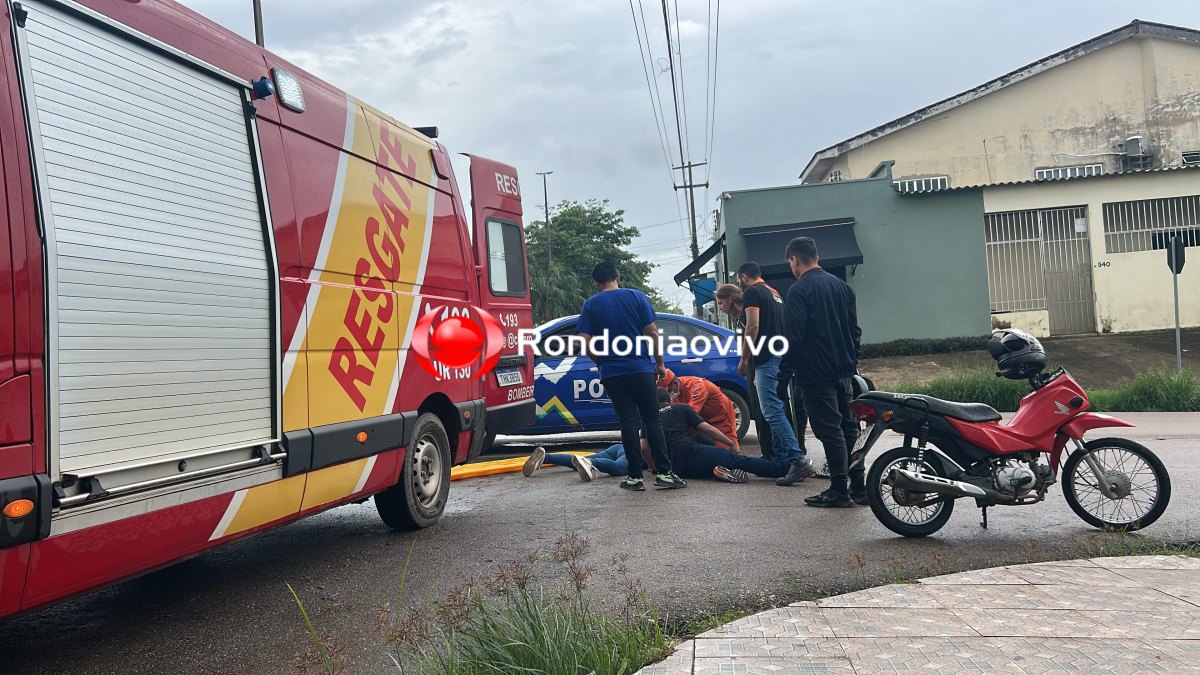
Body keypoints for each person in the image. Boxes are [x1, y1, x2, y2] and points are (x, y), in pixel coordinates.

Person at [578, 262, 685, 491]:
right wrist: (660, 363)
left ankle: (635, 477)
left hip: (612, 373)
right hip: (640, 368)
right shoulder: (637, 297)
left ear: (596, 283)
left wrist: (601, 361)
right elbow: (653, 333)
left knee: (627, 422)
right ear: (618, 276)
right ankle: (665, 473)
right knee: (652, 419)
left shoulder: (591, 304)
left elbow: (584, 341)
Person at [777, 237, 866, 507]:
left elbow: (795, 336)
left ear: (794, 259)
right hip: (844, 371)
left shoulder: (799, 290)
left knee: (830, 431)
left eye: (790, 262)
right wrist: (852, 362)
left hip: (815, 372)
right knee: (849, 429)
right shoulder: (843, 287)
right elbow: (855, 331)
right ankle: (858, 488)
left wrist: (784, 376)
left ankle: (839, 492)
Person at [645, 389, 789, 482]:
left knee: (710, 461)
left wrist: (656, 469)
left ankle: (719, 470)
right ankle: (784, 469)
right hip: (692, 452)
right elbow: (707, 428)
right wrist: (731, 443)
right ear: (669, 400)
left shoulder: (648, 418)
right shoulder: (681, 407)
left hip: (677, 468)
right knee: (741, 461)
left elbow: (643, 448)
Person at [657, 369, 738, 451]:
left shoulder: (697, 386)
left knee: (728, 449)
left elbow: (690, 414)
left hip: (720, 415)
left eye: (668, 391)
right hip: (702, 416)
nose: (668, 394)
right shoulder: (675, 392)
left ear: (675, 383)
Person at [522, 445, 627, 482]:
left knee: (577, 462)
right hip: (635, 451)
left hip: (619, 447)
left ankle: (545, 458)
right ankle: (590, 463)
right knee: (619, 467)